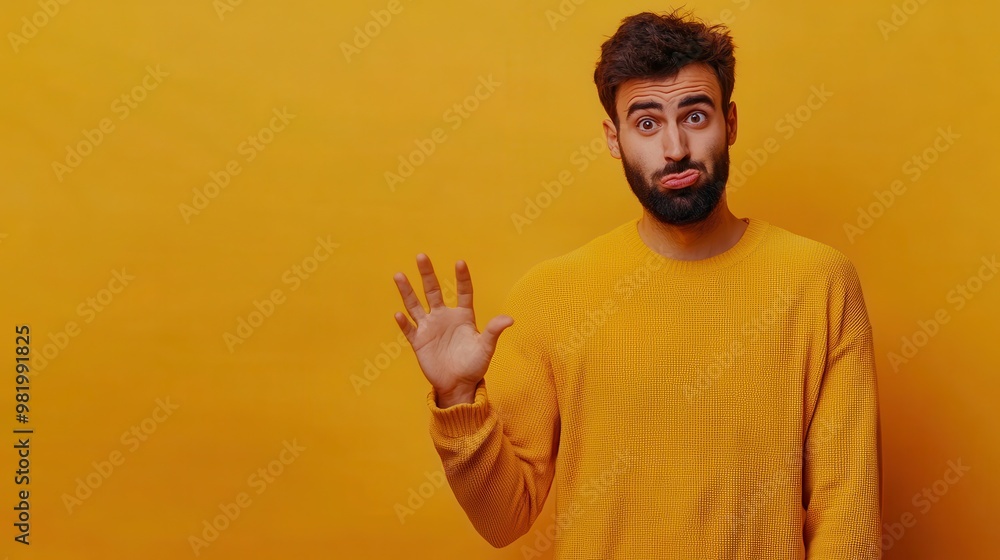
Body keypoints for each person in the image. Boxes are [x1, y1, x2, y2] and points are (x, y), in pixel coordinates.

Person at [391, 10, 881, 558]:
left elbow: (847, 514)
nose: (674, 149)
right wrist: (458, 399)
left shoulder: (820, 282)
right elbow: (504, 517)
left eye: (695, 116)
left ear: (731, 121)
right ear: (613, 137)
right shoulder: (552, 295)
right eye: (646, 123)